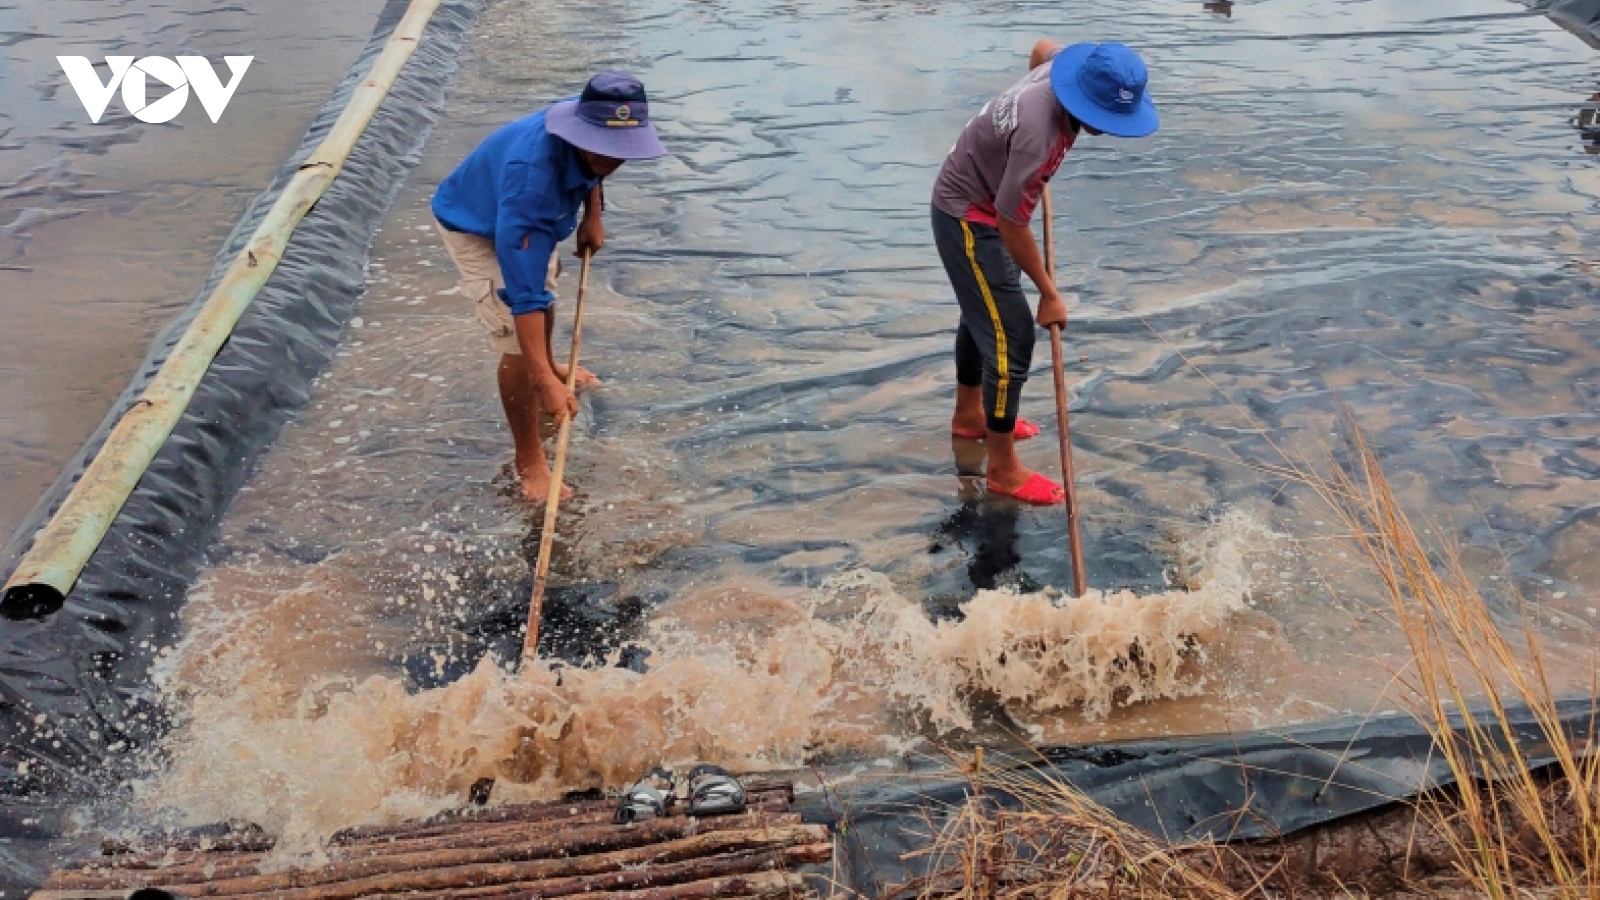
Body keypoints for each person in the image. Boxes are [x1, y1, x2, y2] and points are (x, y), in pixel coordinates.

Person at [931, 41, 1158, 504]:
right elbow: (1013, 222)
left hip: (984, 200)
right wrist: (1049, 292)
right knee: (1011, 335)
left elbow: (1039, 49)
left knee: (985, 313)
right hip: (969, 215)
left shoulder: (1061, 68)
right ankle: (1001, 468)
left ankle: (970, 416)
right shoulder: (1038, 136)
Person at [432, 72, 666, 502]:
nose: (613, 159)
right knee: (519, 344)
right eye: (604, 150)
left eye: (622, 151)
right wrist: (539, 378)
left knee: (545, 295)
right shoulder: (530, 187)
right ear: (581, 136)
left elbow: (597, 166)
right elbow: (523, 299)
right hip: (476, 223)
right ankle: (529, 461)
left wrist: (592, 214)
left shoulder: (594, 123)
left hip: (527, 215)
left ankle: (550, 369)